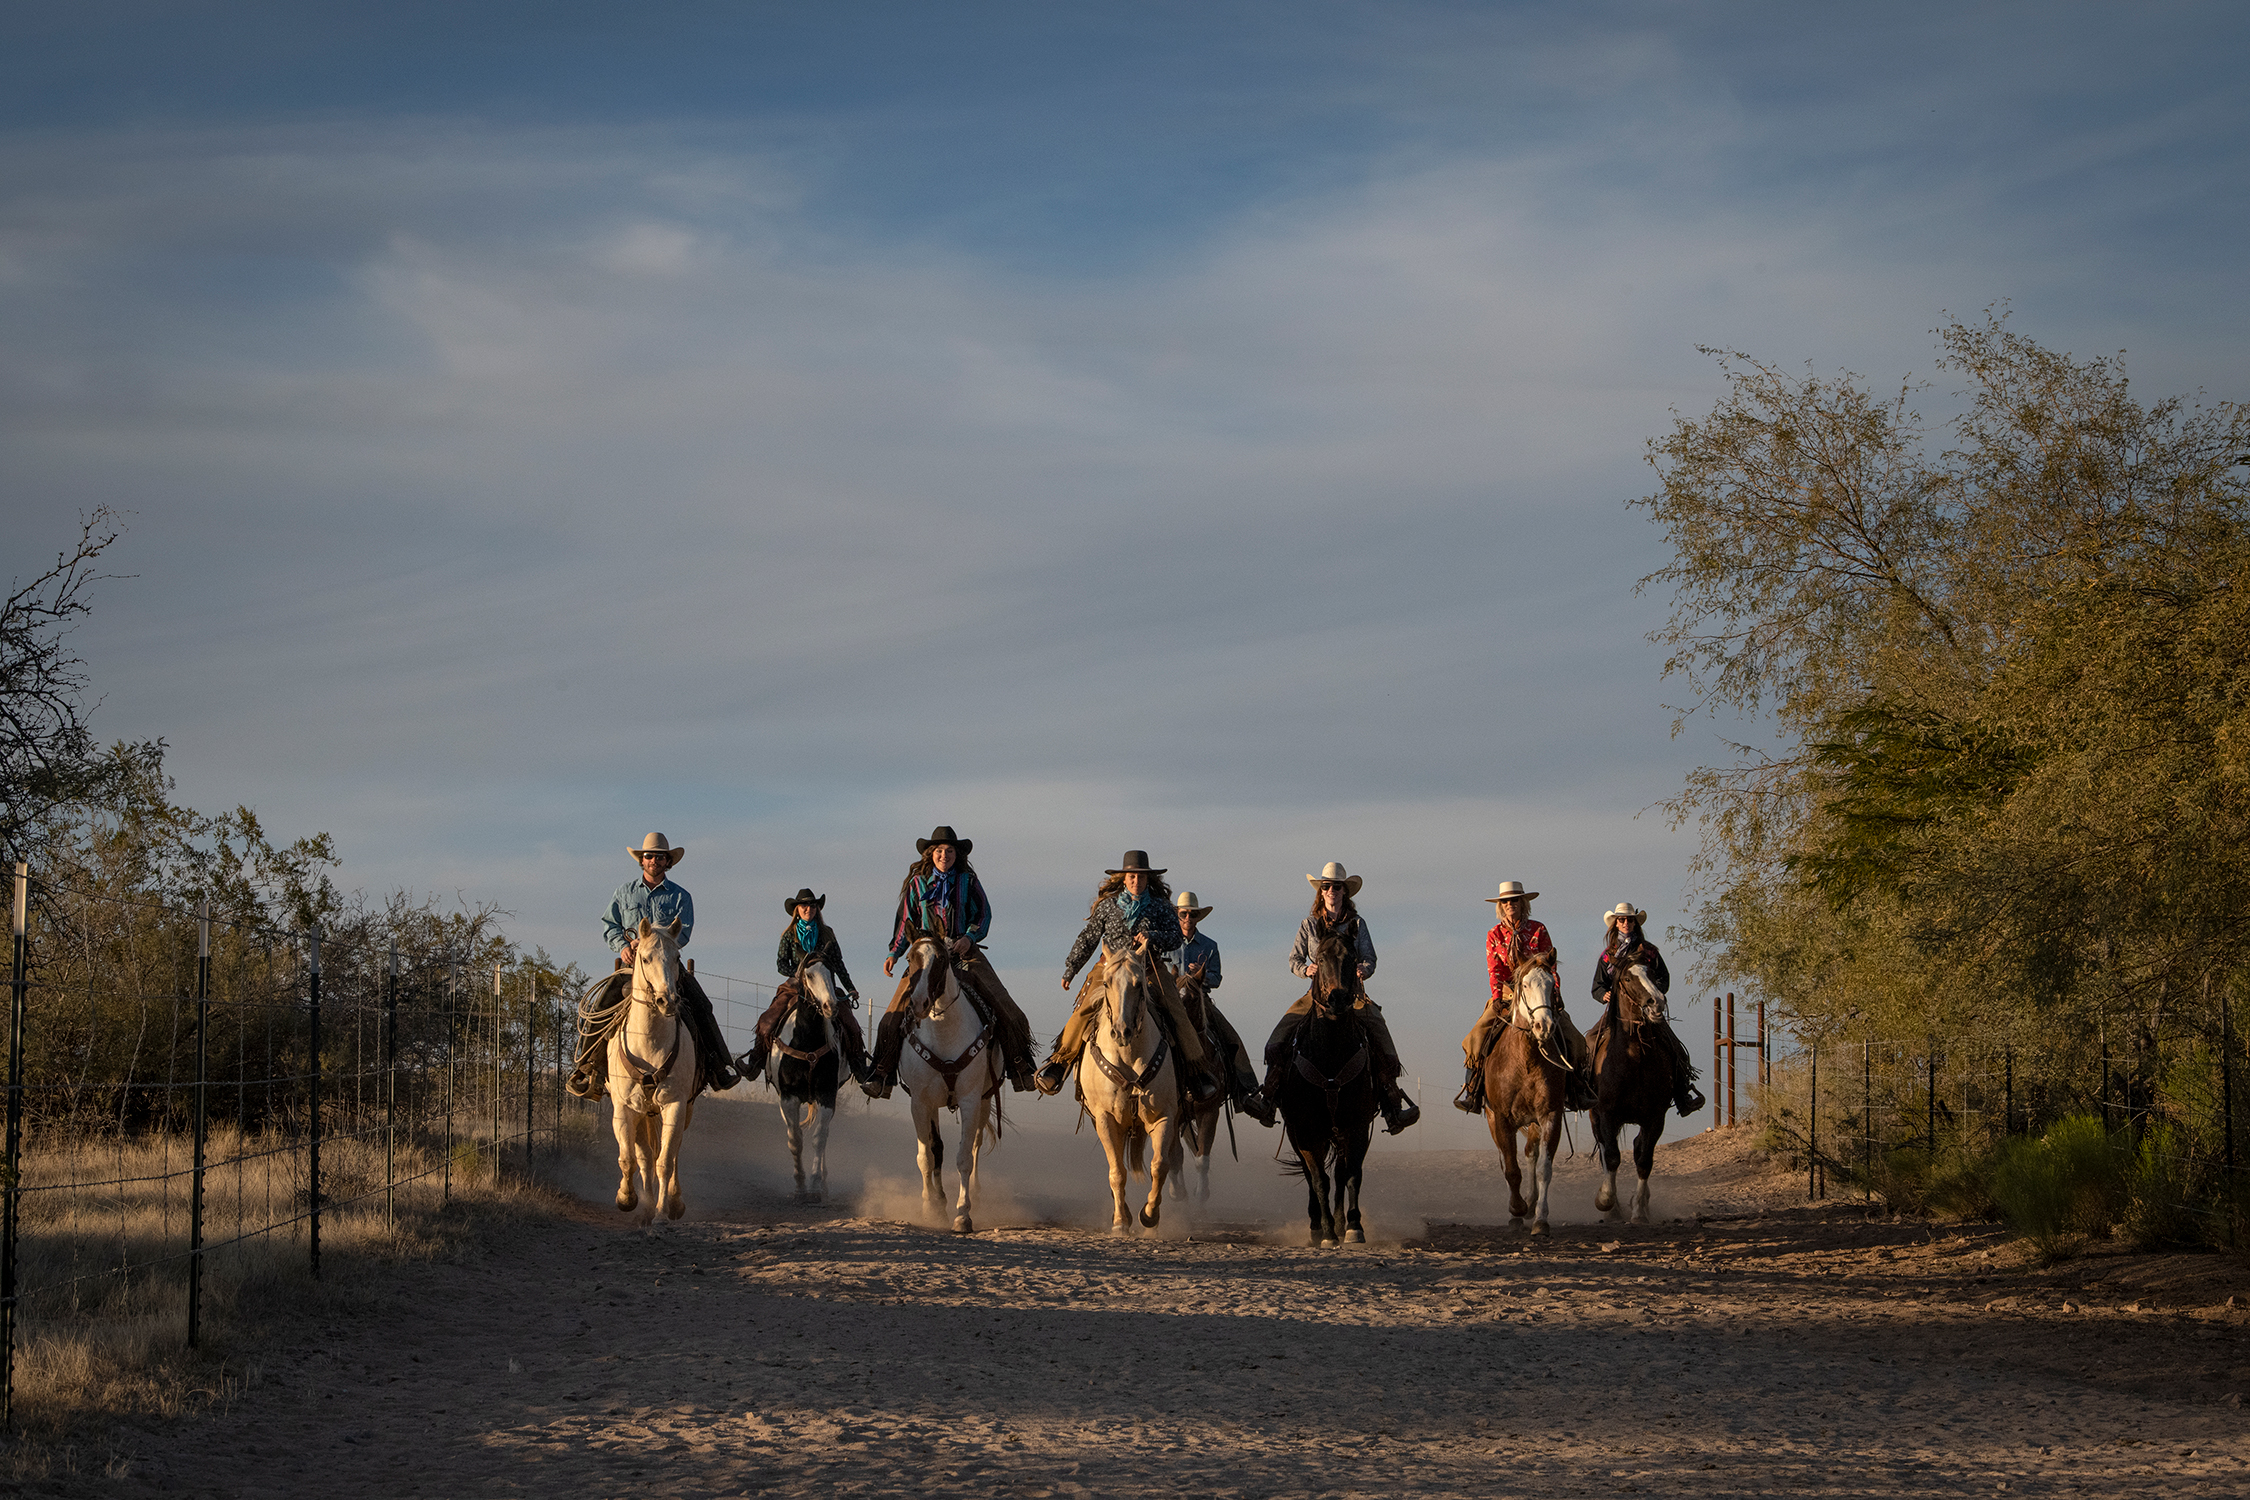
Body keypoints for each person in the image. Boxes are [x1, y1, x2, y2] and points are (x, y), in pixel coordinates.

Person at [862, 826, 1039, 1097]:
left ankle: (1020, 1067)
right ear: (931, 854)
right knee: (892, 1015)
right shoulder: (917, 884)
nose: (944, 855)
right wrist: (894, 953)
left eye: (950, 851)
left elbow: (983, 915)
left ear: (957, 854)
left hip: (963, 951)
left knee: (1007, 1006)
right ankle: (882, 1073)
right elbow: (905, 922)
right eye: (939, 851)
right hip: (926, 956)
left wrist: (969, 937)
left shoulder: (968, 880)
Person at [1037, 851, 1220, 1105]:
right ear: (1124, 878)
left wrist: (1152, 936)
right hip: (1109, 968)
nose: (1136, 881)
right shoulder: (1108, 906)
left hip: (1148, 968)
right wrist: (1071, 969)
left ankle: (1195, 1073)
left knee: (1177, 1011)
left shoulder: (1159, 906)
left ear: (1147, 879)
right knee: (1085, 1009)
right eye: (1132, 876)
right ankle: (1059, 1065)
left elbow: (1175, 937)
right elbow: (1088, 938)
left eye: (1141, 877)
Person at [568, 832, 738, 1099]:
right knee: (601, 1005)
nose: (654, 860)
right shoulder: (623, 892)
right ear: (641, 860)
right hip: (631, 968)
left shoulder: (681, 896)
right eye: (649, 856)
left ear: (667, 861)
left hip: (667, 967)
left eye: (660, 856)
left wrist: (655, 943)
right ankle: (590, 1070)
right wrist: (623, 946)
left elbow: (684, 933)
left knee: (701, 1006)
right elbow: (610, 924)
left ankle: (718, 1067)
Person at [1256, 862, 1421, 1135]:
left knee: (1379, 1031)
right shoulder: (1309, 925)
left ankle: (1392, 1102)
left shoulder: (1357, 924)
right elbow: (1294, 958)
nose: (1332, 890)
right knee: (1280, 1035)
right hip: (1317, 995)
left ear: (1346, 891)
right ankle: (1269, 1096)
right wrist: (1305, 969)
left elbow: (1369, 957)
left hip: (1353, 995)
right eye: (1327, 886)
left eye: (1337, 886)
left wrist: (1363, 970)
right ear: (1321, 892)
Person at [1455, 880, 1591, 1114]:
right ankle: (1473, 1090)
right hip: (1508, 994)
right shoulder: (1494, 934)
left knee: (1575, 1039)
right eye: (1505, 901)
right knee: (1475, 1038)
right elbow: (1494, 969)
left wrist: (1555, 993)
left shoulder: (1538, 929)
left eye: (1515, 900)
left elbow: (1550, 966)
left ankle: (1579, 1088)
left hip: (1539, 995)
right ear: (1500, 906)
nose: (1510, 904)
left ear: (1522, 903)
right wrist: (1497, 997)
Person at [736, 888, 871, 1083]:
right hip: (795, 986)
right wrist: (800, 974)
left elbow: (838, 963)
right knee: (768, 1020)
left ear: (817, 908)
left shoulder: (827, 933)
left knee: (851, 1024)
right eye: (804, 905)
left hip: (825, 987)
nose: (808, 909)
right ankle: (755, 1063)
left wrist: (850, 987)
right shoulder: (789, 935)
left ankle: (860, 1069)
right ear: (797, 909)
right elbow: (781, 963)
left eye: (812, 905)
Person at [1587, 902, 1707, 1117]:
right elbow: (1597, 985)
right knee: (1589, 1041)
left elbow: (1663, 977)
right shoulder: (1608, 955)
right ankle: (1587, 1090)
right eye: (1622, 919)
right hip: (1617, 1012)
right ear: (1615, 923)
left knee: (1675, 1048)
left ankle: (1682, 1096)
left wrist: (1653, 993)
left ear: (1635, 922)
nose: (1626, 923)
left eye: (1630, 919)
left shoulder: (1650, 951)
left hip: (1648, 1010)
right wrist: (1602, 994)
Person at [1162, 889, 1271, 1125]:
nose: (1188, 919)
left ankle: (1247, 1092)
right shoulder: (1166, 942)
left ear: (1198, 917)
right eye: (1183, 914)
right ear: (1177, 915)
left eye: (1192, 915)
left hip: (1199, 1001)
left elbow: (1217, 978)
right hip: (1170, 1002)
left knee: (1231, 1038)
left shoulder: (1210, 946)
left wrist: (1199, 977)